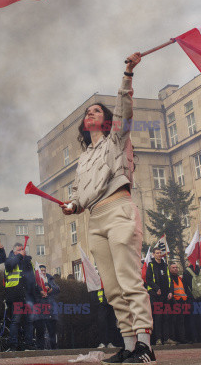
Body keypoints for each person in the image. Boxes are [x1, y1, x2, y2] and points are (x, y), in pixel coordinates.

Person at [60, 53, 155, 364]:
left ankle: (145, 347)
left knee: (130, 281)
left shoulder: (117, 139)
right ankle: (128, 347)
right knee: (113, 289)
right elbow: (78, 193)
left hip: (119, 211)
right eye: (88, 111)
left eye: (97, 110)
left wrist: (127, 74)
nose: (91, 113)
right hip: (95, 220)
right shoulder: (83, 158)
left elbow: (125, 110)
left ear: (106, 118)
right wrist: (72, 205)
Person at [4, 242, 38, 351]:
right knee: (16, 320)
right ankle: (13, 344)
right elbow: (9, 265)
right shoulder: (10, 260)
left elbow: (33, 279)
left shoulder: (28, 262)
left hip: (28, 297)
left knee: (29, 321)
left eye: (22, 249)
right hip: (16, 296)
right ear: (14, 252)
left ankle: (29, 343)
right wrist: (19, 256)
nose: (22, 251)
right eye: (19, 249)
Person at [146, 248, 173, 345]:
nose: (159, 255)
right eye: (157, 253)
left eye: (160, 253)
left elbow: (170, 280)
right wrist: (156, 288)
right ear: (153, 254)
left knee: (166, 317)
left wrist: (170, 291)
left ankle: (167, 338)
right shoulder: (151, 265)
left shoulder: (165, 265)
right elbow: (148, 279)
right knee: (158, 317)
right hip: (156, 296)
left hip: (165, 296)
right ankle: (158, 339)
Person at [182, 260, 201, 343]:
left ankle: (195, 338)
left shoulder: (186, 272)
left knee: (193, 320)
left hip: (191, 299)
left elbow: (184, 286)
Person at [35, 265, 60, 350]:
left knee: (52, 331)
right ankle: (40, 349)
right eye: (41, 270)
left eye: (44, 270)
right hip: (40, 309)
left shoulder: (50, 278)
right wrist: (40, 291)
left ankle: (54, 349)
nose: (43, 272)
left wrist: (51, 288)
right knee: (40, 331)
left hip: (50, 309)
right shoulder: (36, 280)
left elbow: (57, 288)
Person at [168, 263, 187, 344]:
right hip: (173, 302)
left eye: (176, 267)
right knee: (173, 321)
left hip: (181, 301)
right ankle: (173, 338)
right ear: (170, 269)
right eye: (173, 267)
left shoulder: (179, 278)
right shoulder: (169, 278)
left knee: (181, 321)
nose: (175, 269)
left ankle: (182, 338)